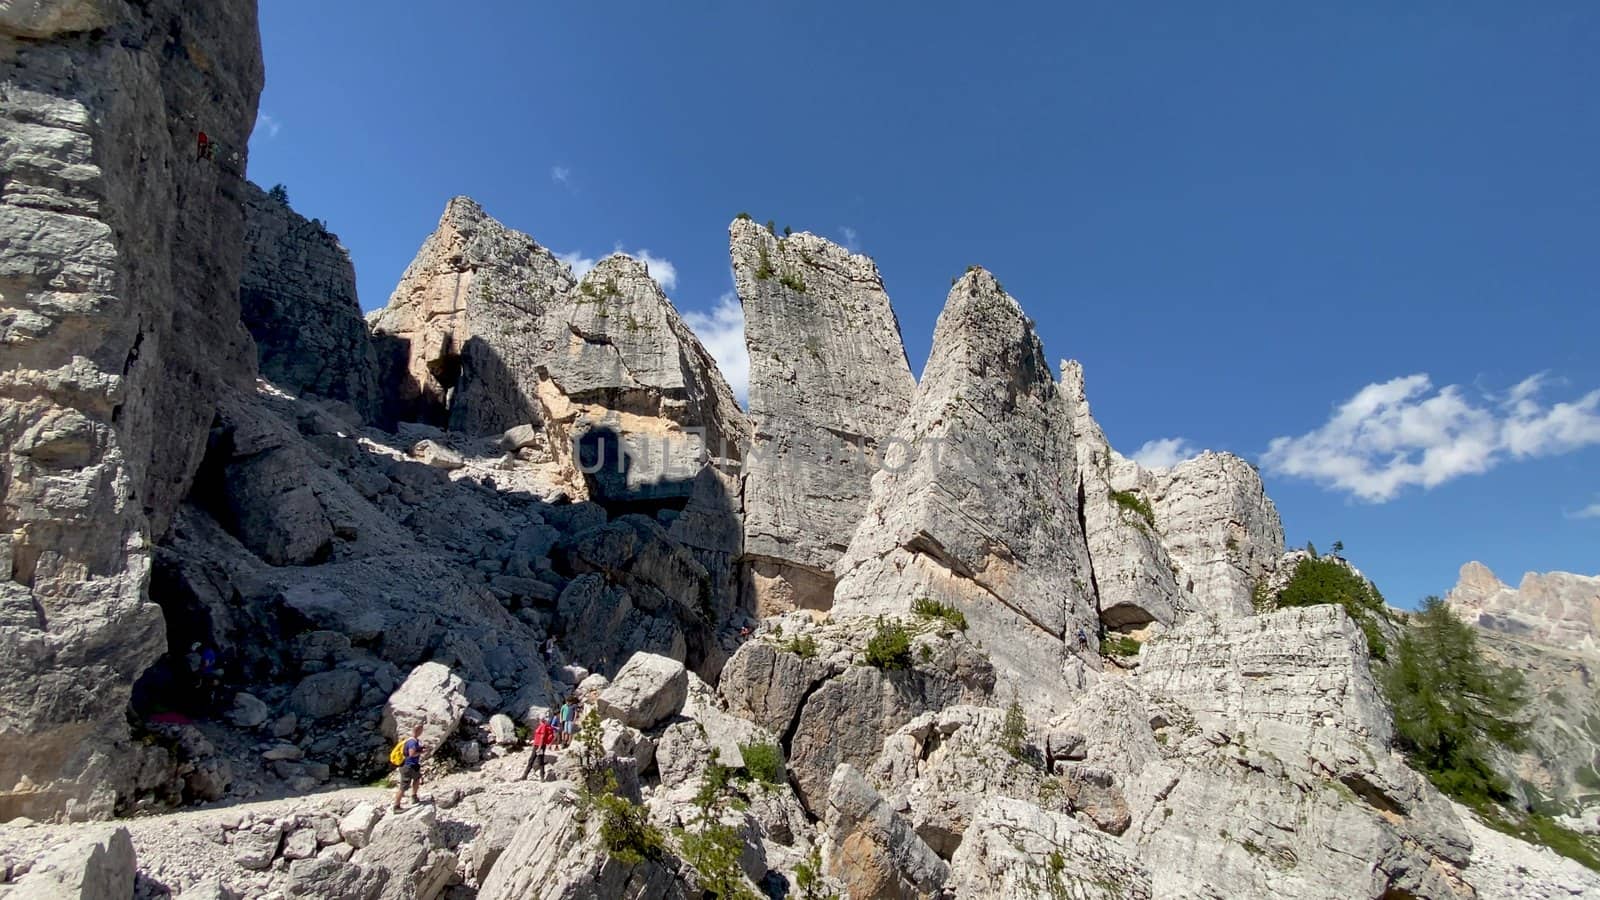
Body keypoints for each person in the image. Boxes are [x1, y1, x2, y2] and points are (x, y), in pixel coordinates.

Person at [393, 724, 425, 811]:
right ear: (418, 731)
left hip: (412, 766)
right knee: (403, 787)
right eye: (421, 730)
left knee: (417, 778)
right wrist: (421, 752)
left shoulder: (410, 740)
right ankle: (396, 806)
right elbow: (411, 754)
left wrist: (420, 749)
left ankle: (414, 796)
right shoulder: (413, 742)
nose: (422, 731)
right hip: (408, 766)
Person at [521, 717, 558, 781]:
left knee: (535, 760)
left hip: (539, 746)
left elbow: (542, 737)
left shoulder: (542, 726)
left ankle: (527, 776)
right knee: (537, 760)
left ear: (540, 720)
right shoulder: (542, 726)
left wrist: (539, 747)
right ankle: (540, 777)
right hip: (538, 746)